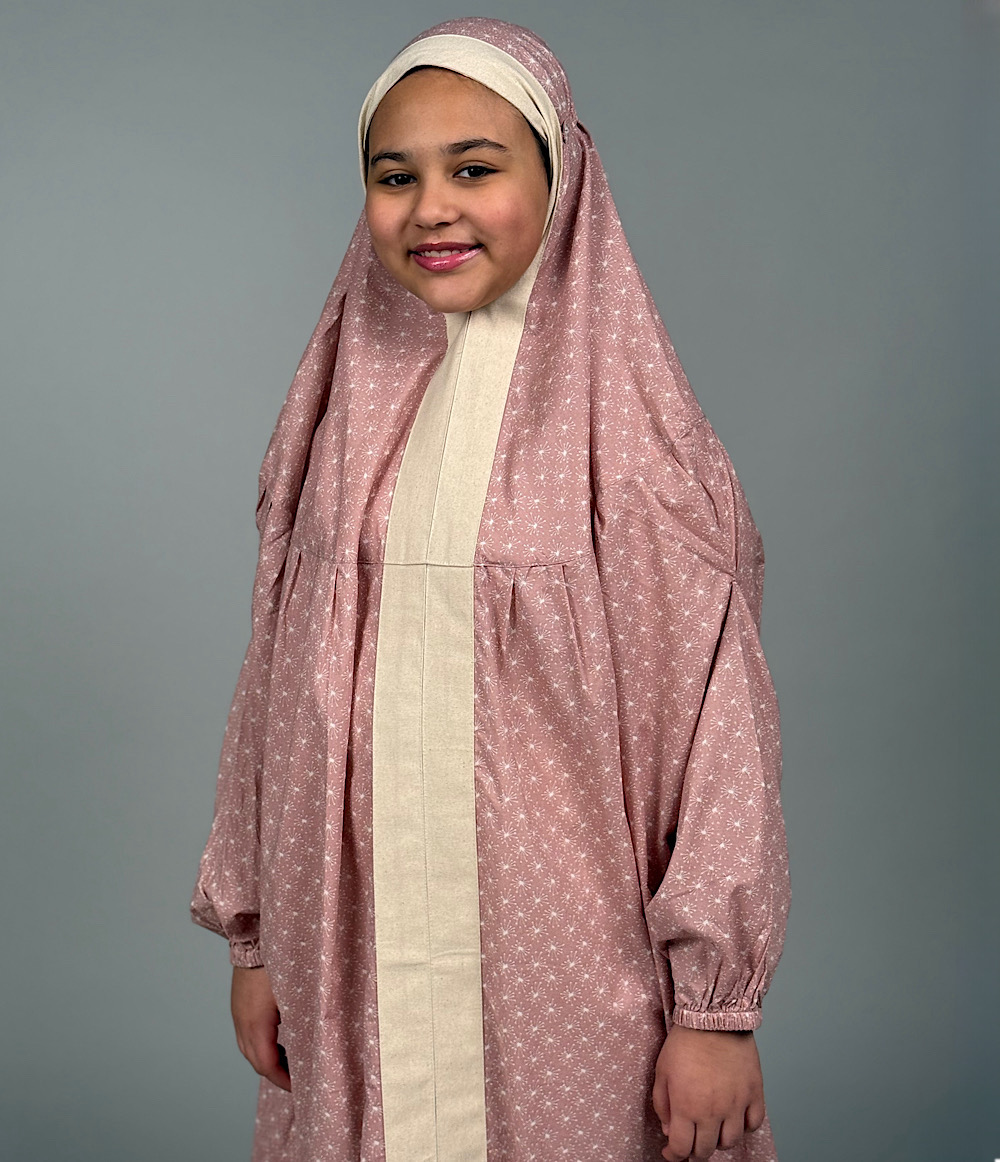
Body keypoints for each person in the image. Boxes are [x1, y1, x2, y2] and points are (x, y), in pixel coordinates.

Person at [190, 17, 791, 1162]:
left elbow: (718, 737)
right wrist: (255, 940)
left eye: (474, 168)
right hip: (353, 959)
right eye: (394, 177)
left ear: (559, 180)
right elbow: (275, 692)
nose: (431, 208)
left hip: (563, 973)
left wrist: (714, 1010)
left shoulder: (638, 454)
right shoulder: (334, 430)